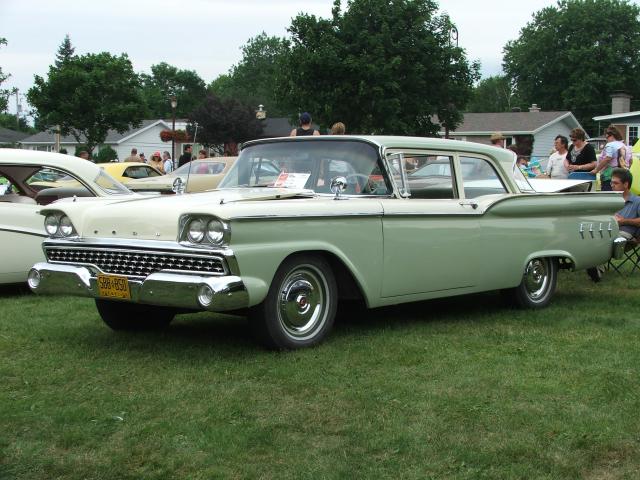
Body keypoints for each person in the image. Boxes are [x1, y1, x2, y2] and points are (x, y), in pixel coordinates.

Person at [591, 126, 630, 191]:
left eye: (607, 137)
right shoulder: (625, 146)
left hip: (610, 177)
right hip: (624, 177)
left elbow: (608, 158)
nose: (606, 139)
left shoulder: (610, 145)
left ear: (612, 135)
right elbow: (630, 161)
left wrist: (596, 170)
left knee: (608, 197)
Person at [611, 168, 640, 240]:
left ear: (626, 184)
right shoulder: (611, 199)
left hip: (625, 234)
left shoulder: (637, 200)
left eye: (616, 183)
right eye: (611, 182)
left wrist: (623, 221)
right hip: (608, 231)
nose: (612, 185)